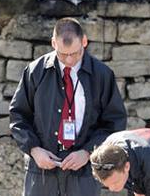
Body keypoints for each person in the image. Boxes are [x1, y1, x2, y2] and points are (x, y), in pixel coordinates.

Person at [9, 17, 127, 196]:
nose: (70, 60)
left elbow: (114, 122)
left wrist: (88, 152)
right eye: (63, 54)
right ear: (53, 43)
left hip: (84, 171)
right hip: (41, 171)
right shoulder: (35, 71)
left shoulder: (102, 75)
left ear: (84, 42)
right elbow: (18, 116)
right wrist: (33, 149)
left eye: (75, 53)